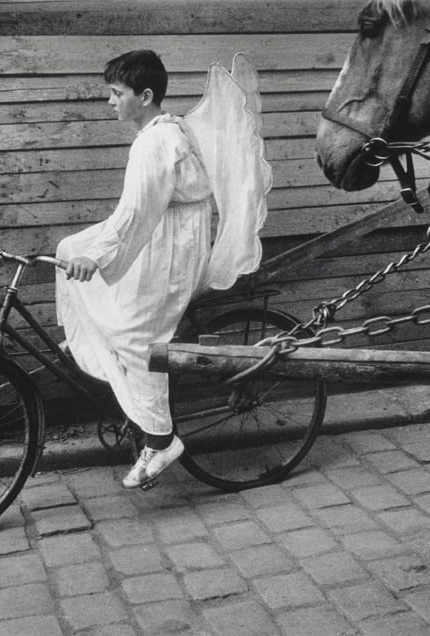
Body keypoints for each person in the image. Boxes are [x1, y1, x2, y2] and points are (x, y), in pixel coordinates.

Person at [55, 50, 270, 489]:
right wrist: (86, 251)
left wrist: (96, 258)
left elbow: (137, 215)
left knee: (138, 339)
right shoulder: (169, 128)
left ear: (145, 95)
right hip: (166, 238)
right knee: (68, 247)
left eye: (117, 94)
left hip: (170, 253)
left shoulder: (154, 142)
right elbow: (133, 216)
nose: (110, 102)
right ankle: (95, 335)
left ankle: (161, 439)